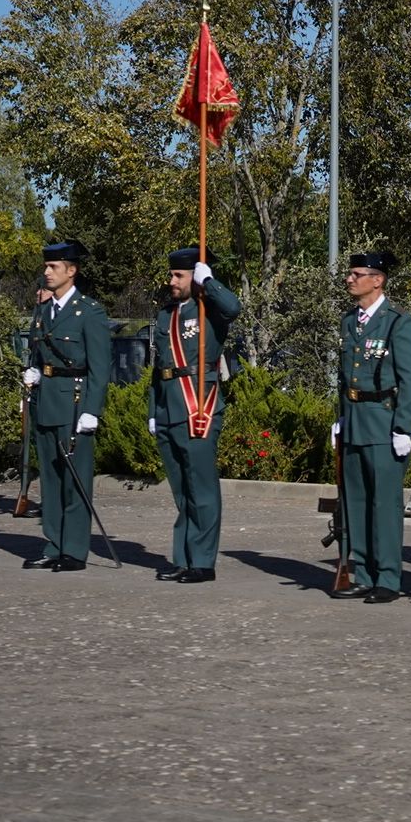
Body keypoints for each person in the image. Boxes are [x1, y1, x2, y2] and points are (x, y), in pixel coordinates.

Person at [331, 252, 411, 604]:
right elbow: (344, 377)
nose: (350, 279)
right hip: (354, 419)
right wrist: (340, 417)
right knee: (356, 502)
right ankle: (363, 572)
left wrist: (403, 427)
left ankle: (388, 577)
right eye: (351, 274)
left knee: (384, 504)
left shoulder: (398, 323)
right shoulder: (349, 321)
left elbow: (410, 379)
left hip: (383, 422)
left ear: (377, 280)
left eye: (357, 274)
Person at [149, 246, 242, 583]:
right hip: (168, 407)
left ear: (195, 278)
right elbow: (159, 367)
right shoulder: (166, 315)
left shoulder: (210, 309)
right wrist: (152, 410)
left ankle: (202, 562)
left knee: (201, 488)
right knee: (181, 490)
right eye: (172, 274)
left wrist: (211, 283)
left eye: (179, 275)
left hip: (198, 407)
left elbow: (234, 307)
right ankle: (184, 557)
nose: (172, 280)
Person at [20, 240, 111, 572]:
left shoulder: (89, 312)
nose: (46, 272)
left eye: (53, 267)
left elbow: (101, 367)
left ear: (71, 271)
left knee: (75, 479)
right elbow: (38, 353)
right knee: (51, 478)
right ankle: (53, 545)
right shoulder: (44, 311)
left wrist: (92, 410)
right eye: (46, 267)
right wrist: (34, 373)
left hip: (74, 403)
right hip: (46, 401)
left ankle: (74, 550)